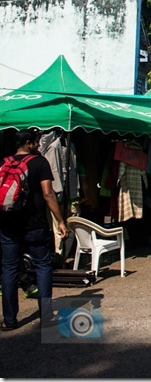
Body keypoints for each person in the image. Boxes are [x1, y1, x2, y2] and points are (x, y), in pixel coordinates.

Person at [0, 129, 68, 330]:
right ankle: (46, 317)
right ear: (28, 143)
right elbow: (48, 195)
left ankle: (10, 320)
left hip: (7, 225)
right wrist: (60, 221)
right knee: (43, 267)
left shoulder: (4, 162)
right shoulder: (39, 163)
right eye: (37, 142)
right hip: (35, 225)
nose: (39, 145)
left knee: (9, 270)